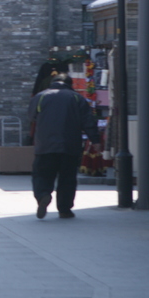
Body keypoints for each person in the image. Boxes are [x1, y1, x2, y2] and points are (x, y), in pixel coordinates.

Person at [28, 73, 100, 219]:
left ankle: (43, 195)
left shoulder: (40, 97)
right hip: (70, 145)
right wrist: (96, 140)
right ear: (70, 84)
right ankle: (64, 209)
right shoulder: (76, 98)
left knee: (41, 175)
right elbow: (88, 121)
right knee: (67, 178)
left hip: (45, 145)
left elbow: (31, 116)